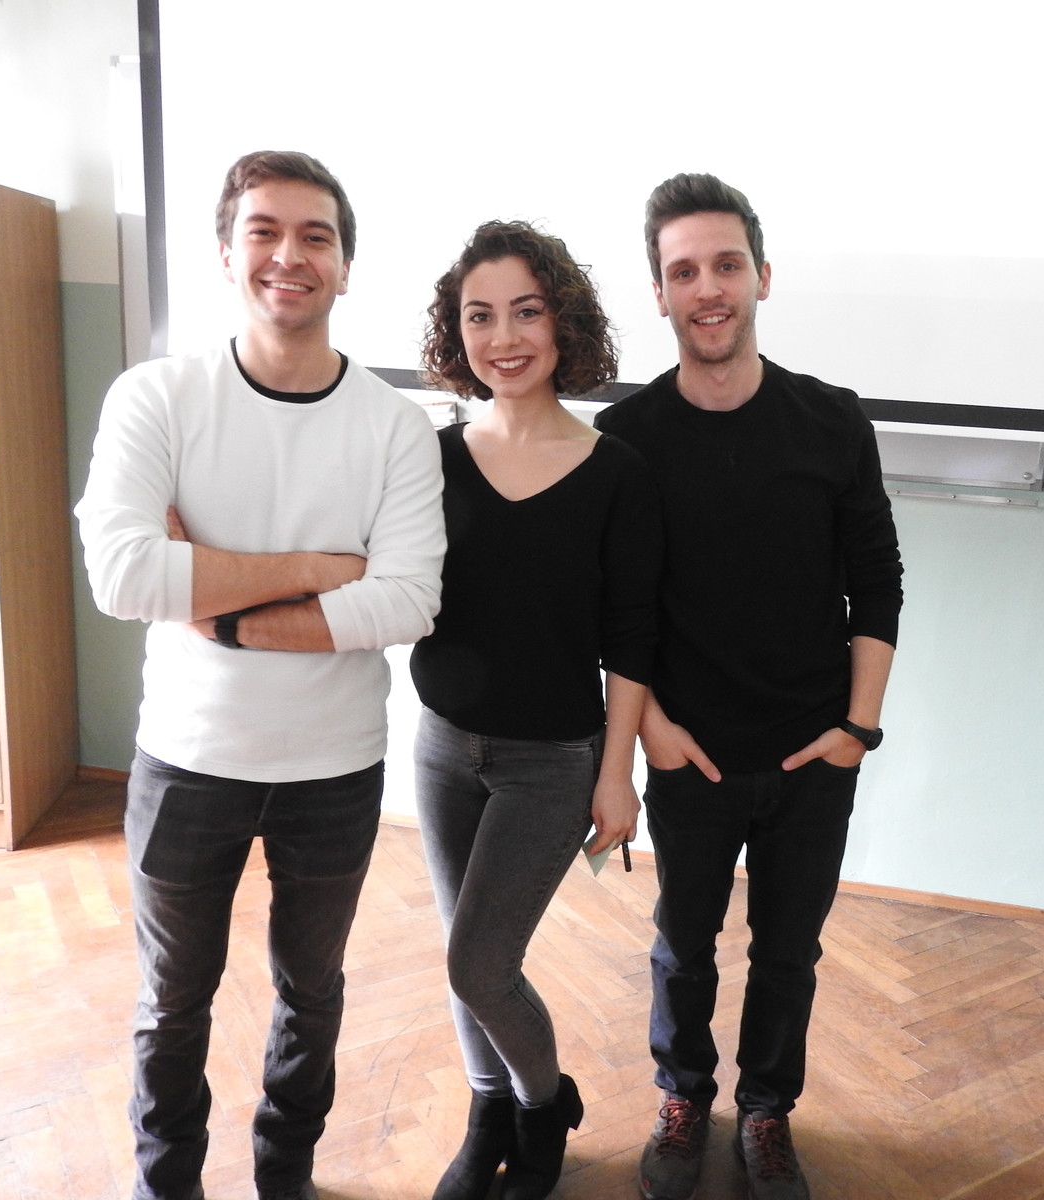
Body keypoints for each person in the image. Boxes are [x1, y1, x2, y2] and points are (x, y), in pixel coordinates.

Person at [74, 151, 446, 1200]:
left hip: (334, 767)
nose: (290, 255)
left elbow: (406, 603)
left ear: (345, 266)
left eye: (316, 236)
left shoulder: (395, 426)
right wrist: (321, 571)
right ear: (225, 253)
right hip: (186, 759)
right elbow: (124, 575)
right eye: (264, 231)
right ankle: (167, 1185)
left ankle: (286, 1177)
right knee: (171, 1002)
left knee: (310, 995)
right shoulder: (157, 397)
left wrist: (214, 603)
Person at [594, 174, 904, 1200]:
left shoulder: (832, 422)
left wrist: (857, 729)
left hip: (814, 751)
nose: (708, 288)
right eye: (684, 271)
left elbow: (876, 583)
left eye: (726, 265)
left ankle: (767, 1112)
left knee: (788, 953)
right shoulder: (628, 437)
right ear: (659, 294)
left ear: (762, 276)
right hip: (691, 752)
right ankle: (683, 1097)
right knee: (683, 947)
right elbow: (614, 610)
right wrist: (653, 730)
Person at [410, 221, 661, 1200]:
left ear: (563, 323)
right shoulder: (429, 457)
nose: (503, 337)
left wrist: (617, 776)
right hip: (441, 748)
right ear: (456, 332)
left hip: (551, 761)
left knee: (481, 964)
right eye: (480, 316)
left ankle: (543, 1104)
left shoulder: (616, 472)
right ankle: (491, 1116)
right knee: (461, 952)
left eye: (526, 312)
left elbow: (631, 640)